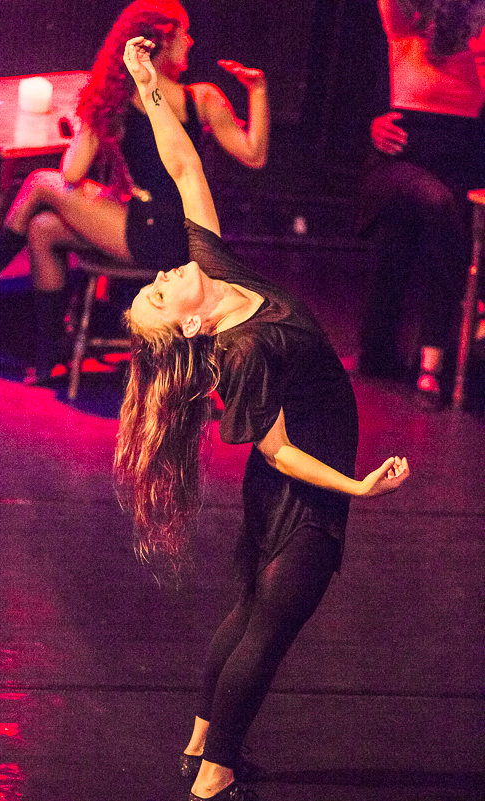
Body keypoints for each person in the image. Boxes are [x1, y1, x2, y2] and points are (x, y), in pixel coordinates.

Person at [116, 36, 410, 801]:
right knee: (269, 627)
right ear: (187, 326)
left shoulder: (217, 274)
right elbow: (277, 451)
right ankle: (215, 776)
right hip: (300, 487)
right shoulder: (239, 350)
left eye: (152, 283)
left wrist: (147, 84)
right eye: (157, 295)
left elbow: (185, 167)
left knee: (250, 608)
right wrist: (356, 487)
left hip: (293, 477)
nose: (161, 275)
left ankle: (199, 741)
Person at [0, 0, 269, 384]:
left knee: (39, 183)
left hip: (153, 233)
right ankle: (48, 357)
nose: (189, 41)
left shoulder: (122, 98)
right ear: (159, 41)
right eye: (183, 34)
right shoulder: (203, 98)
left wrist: (87, 118)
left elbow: (71, 172)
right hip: (181, 233)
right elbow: (255, 154)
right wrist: (257, 90)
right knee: (42, 229)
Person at [358, 0, 485, 405]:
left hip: (457, 170)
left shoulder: (477, 47)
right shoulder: (405, 32)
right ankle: (431, 358)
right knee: (437, 203)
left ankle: (393, 356)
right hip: (398, 165)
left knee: (417, 235)